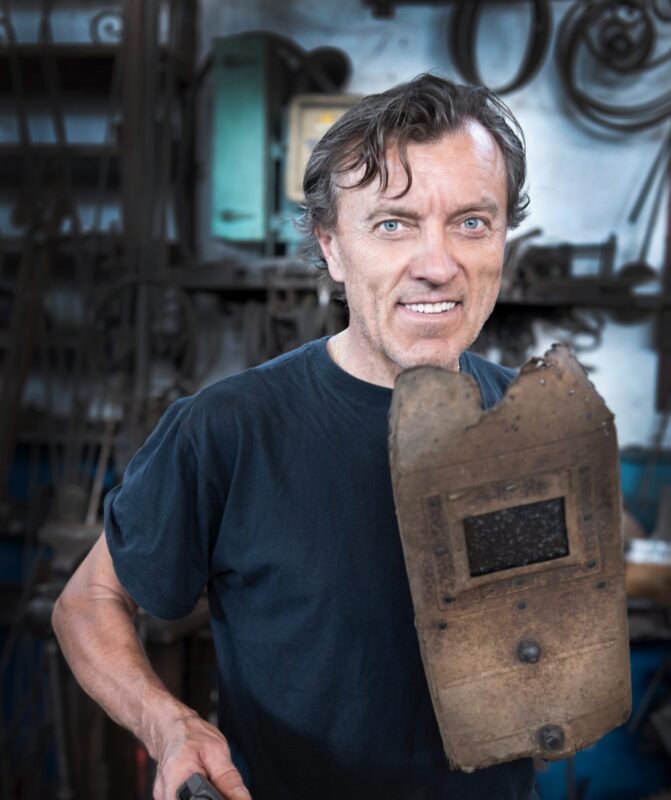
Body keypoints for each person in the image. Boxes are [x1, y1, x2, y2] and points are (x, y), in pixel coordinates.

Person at [52, 73, 538, 800]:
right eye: (392, 224)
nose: (438, 264)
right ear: (331, 246)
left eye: (471, 222)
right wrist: (170, 726)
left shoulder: (531, 419)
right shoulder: (227, 430)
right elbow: (85, 603)